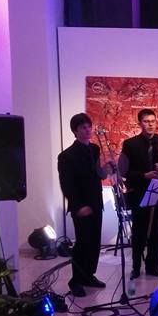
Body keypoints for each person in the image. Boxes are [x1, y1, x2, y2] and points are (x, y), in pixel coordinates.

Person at [57, 113, 112, 297]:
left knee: (95, 242)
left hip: (96, 202)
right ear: (75, 131)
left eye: (89, 126)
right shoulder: (66, 156)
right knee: (82, 244)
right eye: (83, 127)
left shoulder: (95, 149)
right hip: (81, 206)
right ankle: (76, 281)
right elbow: (67, 185)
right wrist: (78, 206)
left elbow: (97, 175)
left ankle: (89, 276)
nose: (88, 130)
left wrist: (106, 169)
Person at [119, 108, 158, 279]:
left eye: (153, 121)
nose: (150, 125)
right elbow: (124, 172)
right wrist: (144, 175)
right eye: (146, 121)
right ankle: (136, 267)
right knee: (139, 232)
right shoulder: (130, 144)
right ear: (140, 124)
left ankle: (152, 266)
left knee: (157, 230)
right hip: (139, 193)